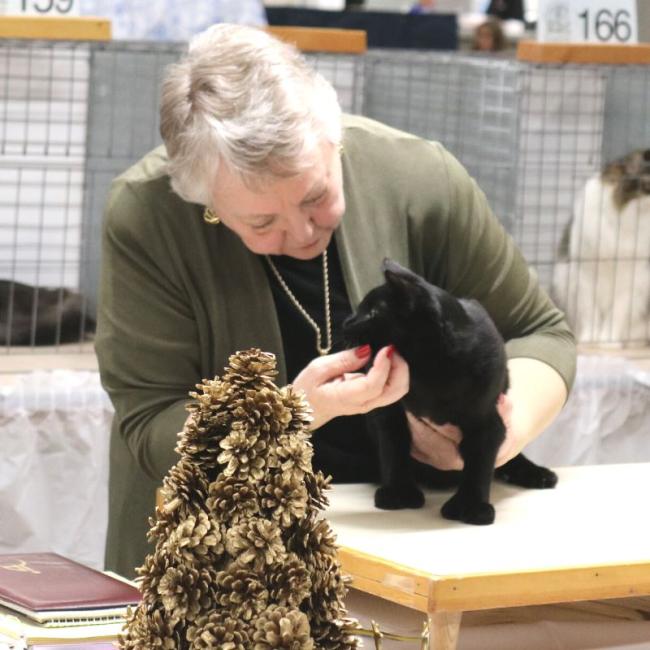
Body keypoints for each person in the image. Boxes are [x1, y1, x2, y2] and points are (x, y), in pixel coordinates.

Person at [95, 23, 576, 578]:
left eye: (316, 196)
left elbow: (542, 333)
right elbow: (151, 422)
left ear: (334, 140)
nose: (302, 232)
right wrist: (289, 415)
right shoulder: (148, 216)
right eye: (262, 222)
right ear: (209, 206)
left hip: (408, 540)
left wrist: (493, 436)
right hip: (212, 555)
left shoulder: (419, 176)